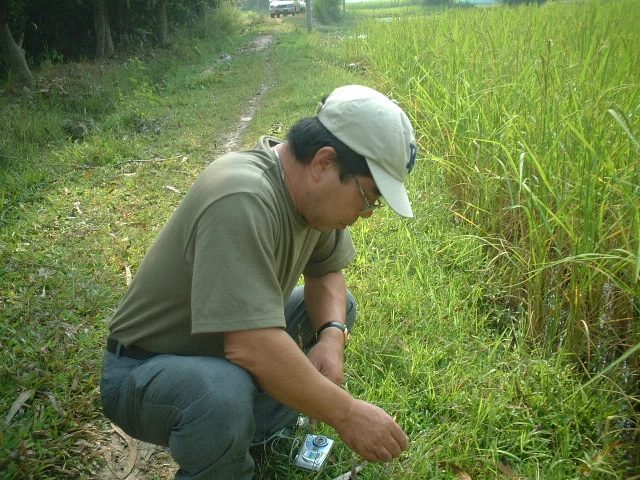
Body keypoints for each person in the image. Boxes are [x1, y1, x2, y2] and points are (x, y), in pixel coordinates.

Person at [100, 84, 418, 479]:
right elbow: (250, 345)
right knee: (221, 391)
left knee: (334, 311)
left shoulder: (311, 198)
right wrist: (347, 414)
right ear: (324, 162)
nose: (367, 214)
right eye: (369, 197)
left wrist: (332, 338)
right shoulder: (243, 196)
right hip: (145, 370)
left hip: (219, 351)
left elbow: (327, 273)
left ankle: (254, 430)